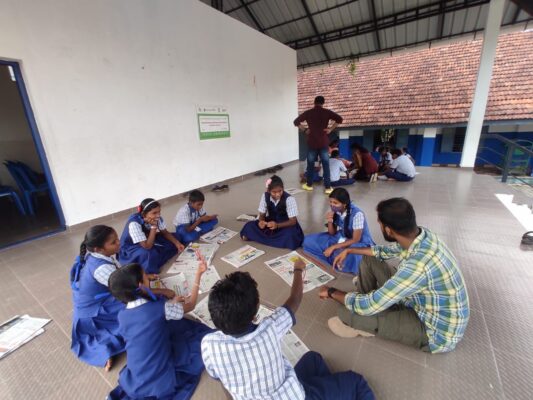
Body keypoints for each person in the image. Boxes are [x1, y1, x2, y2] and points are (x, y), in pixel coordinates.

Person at [201, 263, 375, 400]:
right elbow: (295, 298)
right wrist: (298, 269)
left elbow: (222, 381)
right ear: (255, 315)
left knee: (313, 359)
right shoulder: (269, 329)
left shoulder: (208, 345)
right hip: (295, 397)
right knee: (356, 382)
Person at [320, 198, 470, 353]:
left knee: (345, 312)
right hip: (419, 301)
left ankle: (363, 322)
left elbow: (369, 305)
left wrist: (331, 292)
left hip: (434, 331)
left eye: (379, 223)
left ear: (388, 230)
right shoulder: (422, 235)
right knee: (369, 259)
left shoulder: (417, 267)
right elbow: (384, 251)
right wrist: (350, 250)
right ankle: (368, 302)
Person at [108, 259, 212, 400]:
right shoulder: (158, 308)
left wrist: (171, 304)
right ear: (140, 285)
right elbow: (191, 305)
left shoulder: (122, 315)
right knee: (202, 340)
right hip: (160, 376)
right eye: (145, 276)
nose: (148, 277)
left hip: (138, 371)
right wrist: (198, 275)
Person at [69, 225, 126, 371]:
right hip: (93, 312)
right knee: (136, 309)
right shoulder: (101, 268)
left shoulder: (97, 256)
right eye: (113, 242)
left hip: (100, 299)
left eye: (117, 239)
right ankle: (105, 350)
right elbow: (126, 288)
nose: (118, 243)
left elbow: (120, 275)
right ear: (98, 249)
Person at [303, 188, 374, 274]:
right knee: (307, 240)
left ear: (344, 204)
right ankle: (333, 254)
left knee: (347, 259)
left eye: (335, 203)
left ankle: (333, 254)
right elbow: (332, 233)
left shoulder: (357, 214)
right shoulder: (336, 210)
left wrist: (333, 247)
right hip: (342, 237)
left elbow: (355, 239)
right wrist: (330, 221)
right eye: (330, 202)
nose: (332, 205)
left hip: (358, 243)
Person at [119, 198, 185, 274]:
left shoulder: (157, 218)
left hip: (148, 239)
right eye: (154, 213)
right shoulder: (134, 223)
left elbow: (165, 232)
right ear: (144, 214)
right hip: (132, 247)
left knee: (177, 237)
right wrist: (153, 227)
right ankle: (149, 272)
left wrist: (177, 243)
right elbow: (147, 246)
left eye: (159, 211)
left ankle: (157, 258)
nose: (158, 215)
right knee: (149, 253)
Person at [294, 96, 343, 194]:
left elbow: (296, 122)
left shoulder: (308, 113)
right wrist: (330, 129)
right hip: (323, 142)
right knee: (325, 164)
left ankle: (309, 185)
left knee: (310, 165)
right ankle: (328, 188)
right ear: (323, 103)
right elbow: (340, 119)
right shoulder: (327, 112)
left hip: (312, 142)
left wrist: (305, 130)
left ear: (314, 102)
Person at [240, 175, 304, 250]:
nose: (278, 194)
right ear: (268, 191)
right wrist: (261, 221)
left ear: (283, 188)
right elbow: (262, 214)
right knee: (249, 226)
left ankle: (261, 238)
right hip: (270, 223)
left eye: (280, 191)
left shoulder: (289, 199)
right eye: (274, 192)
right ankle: (276, 241)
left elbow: (293, 221)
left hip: (285, 224)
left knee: (291, 235)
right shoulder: (265, 196)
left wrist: (277, 225)